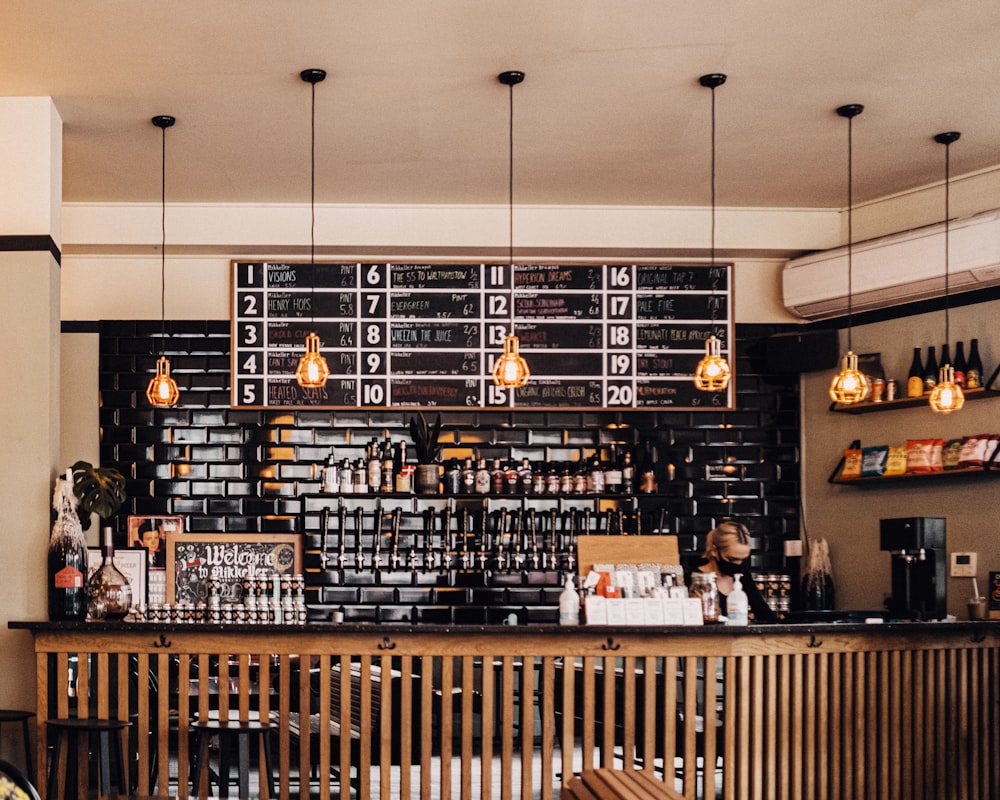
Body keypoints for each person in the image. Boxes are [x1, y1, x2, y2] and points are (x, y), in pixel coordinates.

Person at [694, 520, 777, 623]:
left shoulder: (742, 574)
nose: (738, 565)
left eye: (743, 559)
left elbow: (764, 614)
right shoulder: (697, 579)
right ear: (715, 551)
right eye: (732, 559)